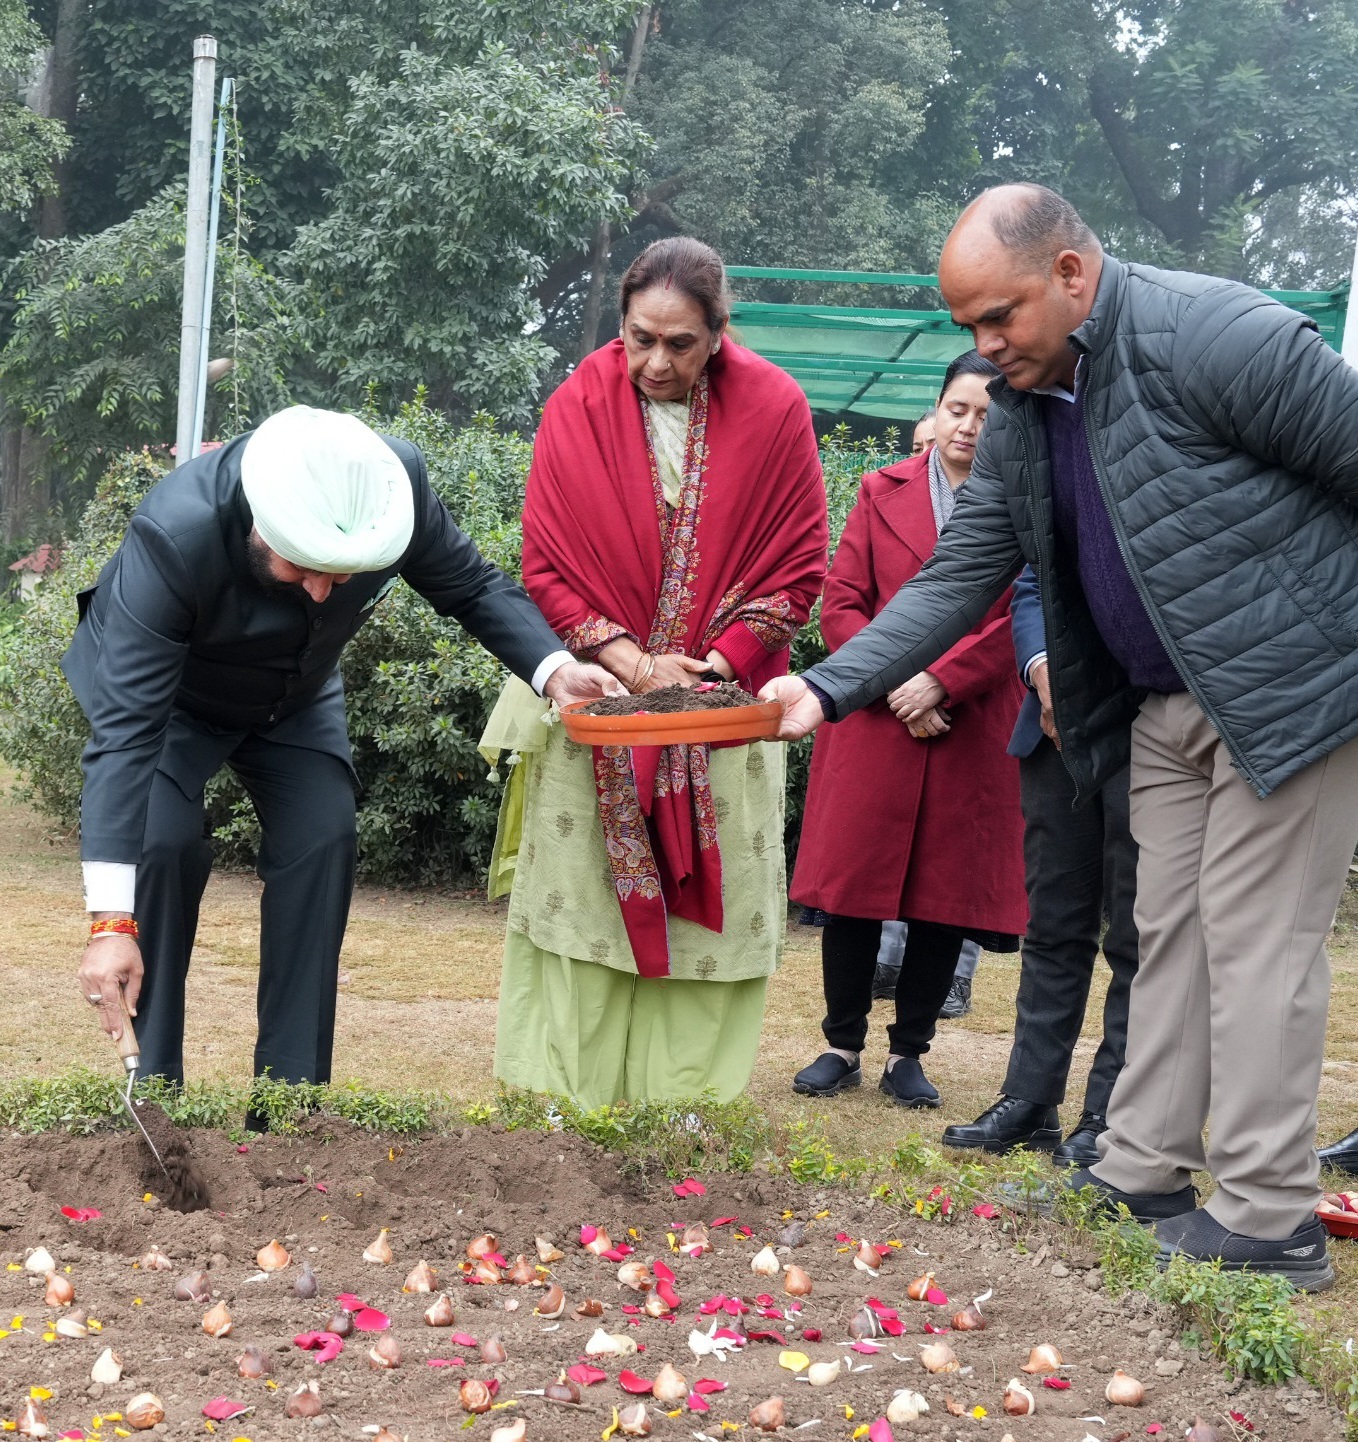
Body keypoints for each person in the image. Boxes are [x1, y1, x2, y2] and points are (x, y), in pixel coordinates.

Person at [763, 184, 1358, 1291]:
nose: (986, 347)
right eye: (968, 328)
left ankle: (1269, 1213)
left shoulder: (1216, 334)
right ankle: (1141, 1167)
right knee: (1162, 937)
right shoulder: (1025, 412)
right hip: (1158, 703)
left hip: (1287, 694)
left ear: (1070, 275)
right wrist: (826, 687)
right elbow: (957, 576)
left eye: (1000, 318)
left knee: (1254, 946)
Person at [67, 406, 619, 1103]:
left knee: (323, 836)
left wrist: (555, 670)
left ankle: (291, 1103)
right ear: (260, 525)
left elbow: (473, 586)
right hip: (169, 698)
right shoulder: (174, 534)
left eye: (344, 574)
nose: (324, 593)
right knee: (163, 843)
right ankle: (153, 1094)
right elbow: (125, 736)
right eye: (305, 568)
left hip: (293, 696)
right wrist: (109, 924)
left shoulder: (393, 486)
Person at [482, 237, 828, 1109]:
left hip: (721, 713)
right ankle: (563, 1110)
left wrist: (709, 669)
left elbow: (798, 566)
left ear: (719, 332)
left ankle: (684, 1117)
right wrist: (634, 664)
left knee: (708, 937)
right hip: (600, 704)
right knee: (583, 916)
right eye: (640, 339)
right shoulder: (576, 406)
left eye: (681, 343)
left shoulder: (776, 408)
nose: (657, 363)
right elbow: (546, 565)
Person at [789, 351, 1026, 1108]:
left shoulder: (1025, 503)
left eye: (987, 415)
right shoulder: (879, 488)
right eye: (958, 409)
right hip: (875, 717)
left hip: (967, 719)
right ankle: (841, 1045)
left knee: (942, 898)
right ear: (937, 409)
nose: (969, 427)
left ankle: (908, 1054)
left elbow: (1019, 616)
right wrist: (895, 683)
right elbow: (841, 601)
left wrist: (942, 681)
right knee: (854, 890)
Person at [942, 566, 1138, 1166]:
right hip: (1054, 729)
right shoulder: (1064, 500)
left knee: (1139, 938)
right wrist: (1043, 670)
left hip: (1151, 725)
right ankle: (1030, 1099)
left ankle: (1113, 1112)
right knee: (1052, 926)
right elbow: (1033, 586)